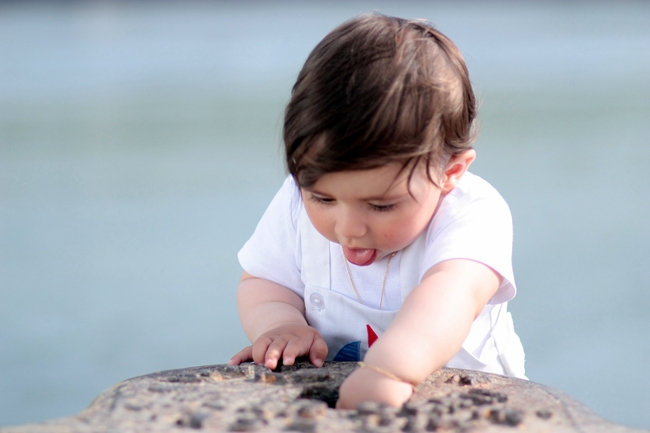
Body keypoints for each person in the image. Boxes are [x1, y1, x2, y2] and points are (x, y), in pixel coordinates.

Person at [228, 13, 526, 409]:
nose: (349, 227)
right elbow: (263, 281)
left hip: (470, 406)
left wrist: (390, 372)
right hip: (340, 399)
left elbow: (450, 299)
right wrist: (281, 323)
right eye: (323, 199)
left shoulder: (471, 214)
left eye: (381, 205)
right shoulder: (295, 199)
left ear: (449, 173)